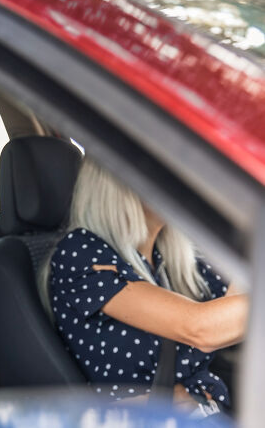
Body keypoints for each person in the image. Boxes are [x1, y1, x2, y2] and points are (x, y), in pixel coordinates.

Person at [39, 160, 248, 416]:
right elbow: (201, 328)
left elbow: (234, 308)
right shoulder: (81, 252)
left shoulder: (170, 257)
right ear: (121, 183)